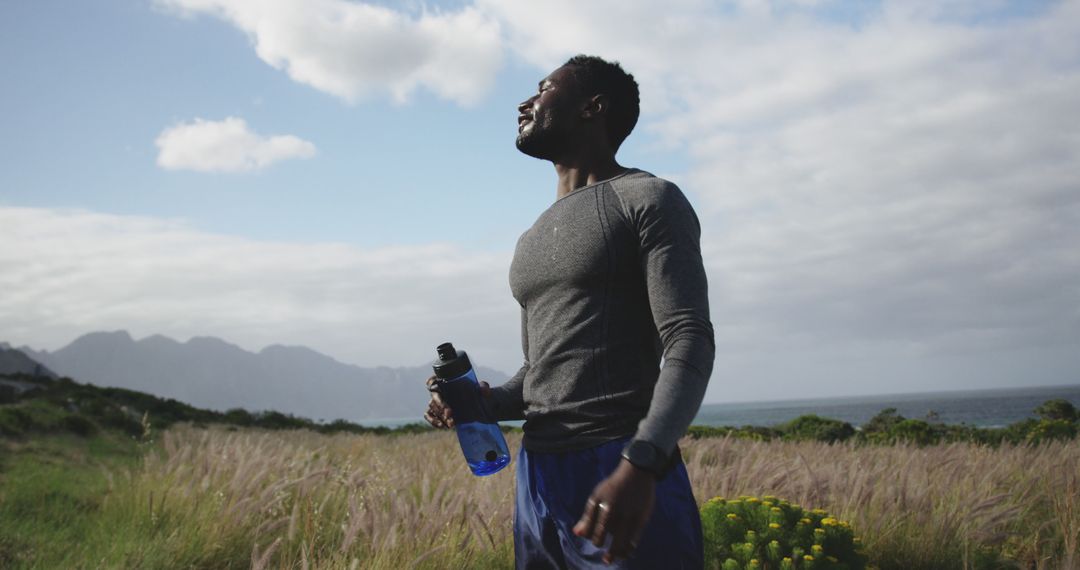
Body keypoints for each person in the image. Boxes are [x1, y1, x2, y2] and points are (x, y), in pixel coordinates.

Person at [424, 54, 714, 569]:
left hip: (620, 463)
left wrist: (644, 461)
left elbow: (688, 336)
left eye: (543, 89)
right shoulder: (529, 239)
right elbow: (540, 372)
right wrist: (482, 402)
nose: (525, 102)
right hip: (537, 477)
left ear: (591, 108)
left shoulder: (648, 198)